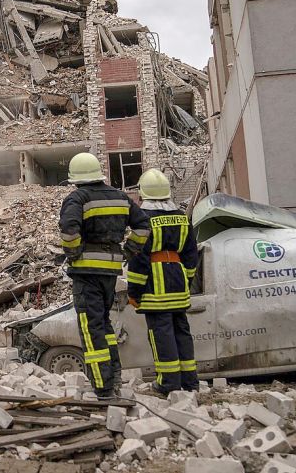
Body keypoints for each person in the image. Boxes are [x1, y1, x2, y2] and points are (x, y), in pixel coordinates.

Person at [59, 152, 148, 399]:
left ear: (75, 178)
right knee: (105, 325)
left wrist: (73, 252)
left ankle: (103, 387)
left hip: (87, 273)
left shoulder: (77, 198)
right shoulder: (121, 197)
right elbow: (143, 226)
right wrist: (129, 251)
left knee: (90, 328)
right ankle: (114, 376)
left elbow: (69, 230)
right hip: (110, 271)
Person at [126, 168, 199, 395]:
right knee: (182, 332)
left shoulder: (144, 220)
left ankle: (167, 383)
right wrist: (186, 281)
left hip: (155, 287)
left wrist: (134, 292)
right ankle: (190, 382)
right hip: (178, 282)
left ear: (143, 193)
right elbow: (190, 254)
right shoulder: (181, 217)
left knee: (162, 334)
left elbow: (139, 260)